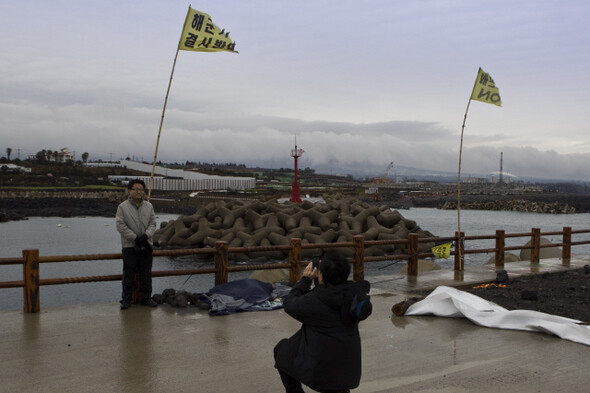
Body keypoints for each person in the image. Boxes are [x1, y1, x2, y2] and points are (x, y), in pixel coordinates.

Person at [274, 250, 372, 393]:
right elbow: (331, 294)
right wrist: (322, 281)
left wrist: (305, 280)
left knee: (281, 350)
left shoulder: (315, 300)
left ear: (322, 274)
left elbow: (289, 304)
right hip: (348, 375)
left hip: (320, 377)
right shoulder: (354, 296)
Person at [115, 179, 157, 310]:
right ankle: (126, 299)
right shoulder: (122, 207)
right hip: (129, 246)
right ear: (129, 191)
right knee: (128, 273)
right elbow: (120, 226)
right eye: (135, 189)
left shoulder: (149, 206)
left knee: (146, 273)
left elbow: (153, 223)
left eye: (140, 189)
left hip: (146, 244)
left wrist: (145, 236)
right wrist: (135, 238)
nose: (139, 191)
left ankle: (146, 298)